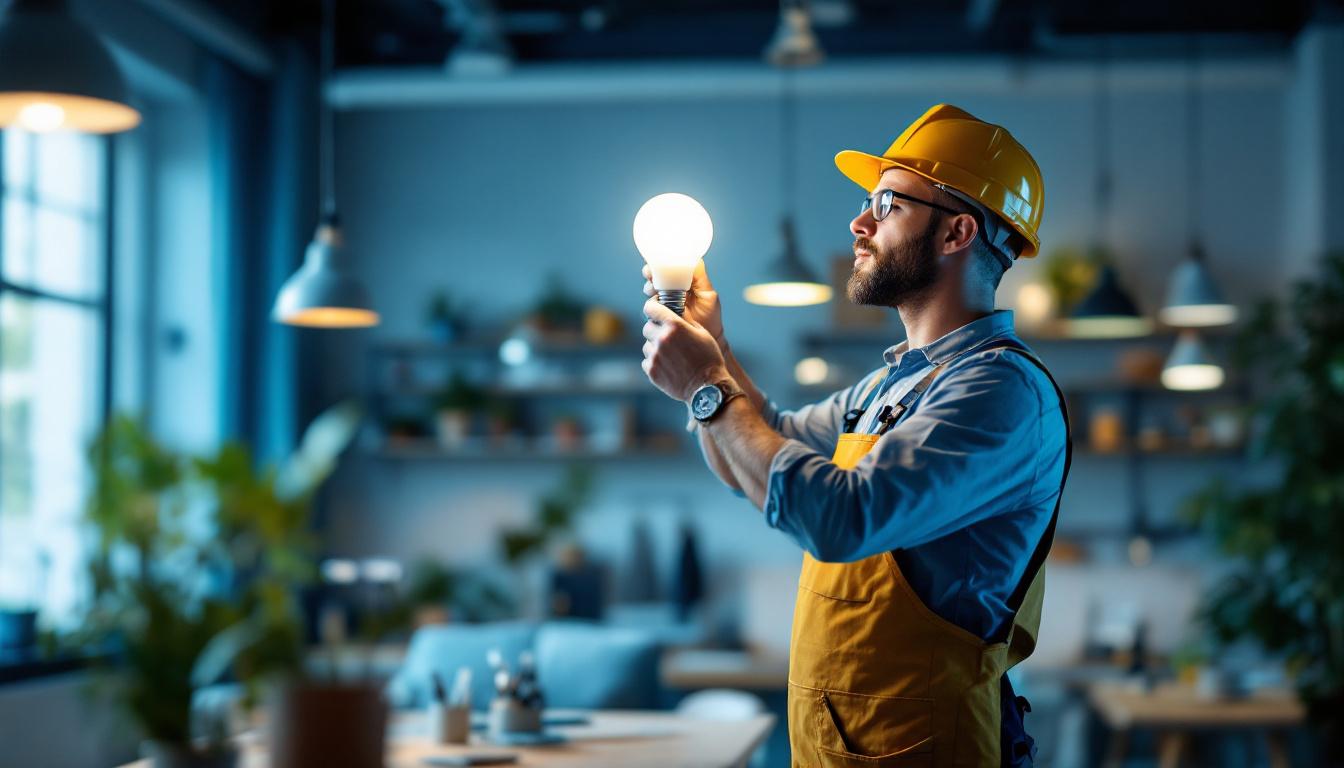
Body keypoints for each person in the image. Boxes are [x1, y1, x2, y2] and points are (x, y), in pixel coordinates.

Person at [640, 104, 1070, 767]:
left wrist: (707, 388)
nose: (858, 222)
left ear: (957, 232)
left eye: (888, 202)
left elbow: (841, 517)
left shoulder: (1000, 391)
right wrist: (714, 350)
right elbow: (754, 449)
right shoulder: (887, 387)